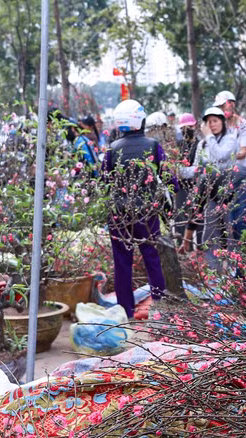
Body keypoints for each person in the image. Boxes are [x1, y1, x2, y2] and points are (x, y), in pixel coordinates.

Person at [102, 99, 167, 318]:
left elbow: (103, 182)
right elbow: (168, 177)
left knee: (122, 263)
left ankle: (126, 310)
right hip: (146, 213)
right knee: (152, 258)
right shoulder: (153, 146)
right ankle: (160, 307)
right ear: (141, 120)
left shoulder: (112, 150)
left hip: (118, 214)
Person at [178, 107, 243, 251]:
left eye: (215, 121)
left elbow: (221, 156)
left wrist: (209, 137)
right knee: (210, 231)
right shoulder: (202, 144)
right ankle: (211, 264)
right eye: (209, 122)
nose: (212, 125)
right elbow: (196, 168)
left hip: (227, 191)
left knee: (229, 229)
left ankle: (233, 265)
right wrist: (179, 169)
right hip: (209, 191)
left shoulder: (230, 140)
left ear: (222, 122)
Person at [215, 90, 246, 168]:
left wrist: (224, 157)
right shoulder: (219, 126)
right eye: (219, 107)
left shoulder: (244, 126)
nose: (221, 110)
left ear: (232, 105)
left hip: (239, 171)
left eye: (223, 106)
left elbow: (243, 153)